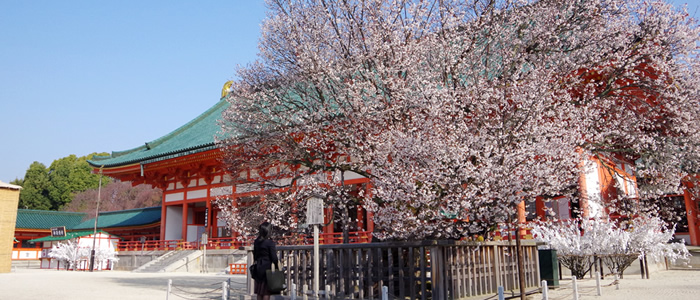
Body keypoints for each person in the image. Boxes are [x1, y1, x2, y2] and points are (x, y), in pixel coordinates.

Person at [253, 222, 279, 300]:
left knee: (259, 291)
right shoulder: (270, 243)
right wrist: (277, 267)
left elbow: (255, 255)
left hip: (258, 267)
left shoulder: (257, 242)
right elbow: (274, 257)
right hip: (267, 267)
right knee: (266, 291)